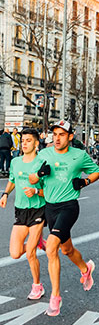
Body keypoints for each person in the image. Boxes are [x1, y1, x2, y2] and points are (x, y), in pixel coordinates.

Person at [29, 120, 99, 316]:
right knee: (66, 249)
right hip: (50, 207)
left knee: (51, 247)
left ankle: (55, 297)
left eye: (62, 134)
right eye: (55, 134)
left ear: (70, 137)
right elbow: (32, 179)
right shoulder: (44, 154)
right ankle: (85, 269)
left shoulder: (79, 156)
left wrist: (84, 181)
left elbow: (96, 172)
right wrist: (39, 173)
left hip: (69, 207)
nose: (57, 138)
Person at [0, 128, 46, 299]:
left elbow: (50, 190)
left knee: (31, 252)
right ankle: (39, 242)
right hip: (20, 210)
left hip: (38, 209)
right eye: (23, 140)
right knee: (15, 253)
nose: (24, 143)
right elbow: (12, 180)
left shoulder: (42, 162)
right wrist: (5, 194)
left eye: (28, 140)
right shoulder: (16, 162)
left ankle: (37, 286)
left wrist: (35, 191)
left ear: (36, 143)